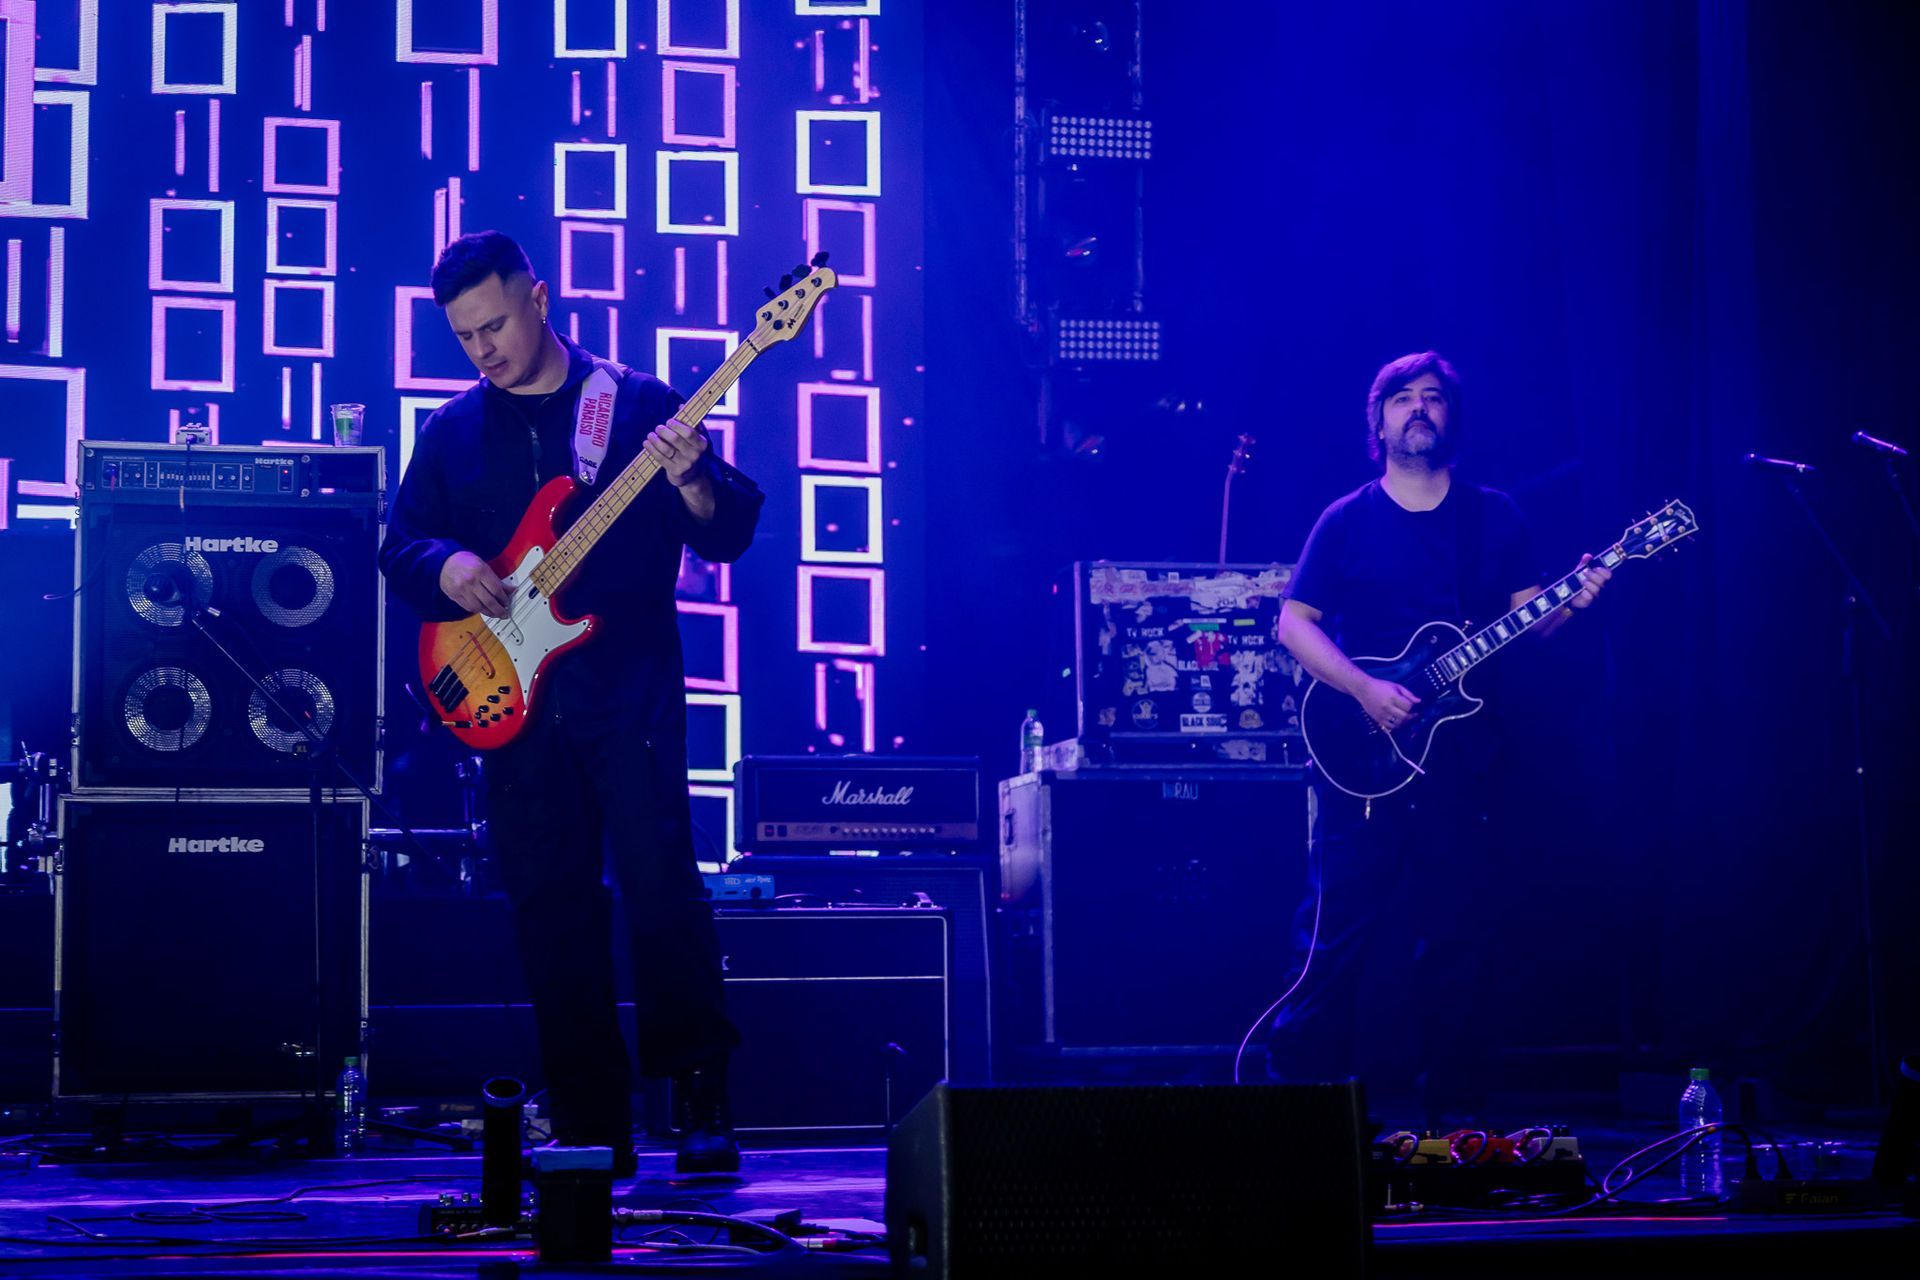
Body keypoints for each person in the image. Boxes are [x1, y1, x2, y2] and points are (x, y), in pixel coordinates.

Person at [379, 231, 763, 1173]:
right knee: (550, 905)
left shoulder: (633, 404)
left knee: (662, 889)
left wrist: (693, 480)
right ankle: (592, 1120)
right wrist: (450, 563)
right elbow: (400, 544)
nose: (485, 350)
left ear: (539, 298)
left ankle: (700, 1103)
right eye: (466, 336)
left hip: (625, 687)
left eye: (496, 324)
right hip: (511, 702)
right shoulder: (451, 431)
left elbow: (726, 536)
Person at [1270, 351, 1608, 1120]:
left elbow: (1533, 621)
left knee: (1460, 941)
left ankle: (1454, 1127)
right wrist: (1363, 687)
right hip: (1360, 756)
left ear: (1451, 418)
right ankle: (1302, 1116)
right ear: (1378, 420)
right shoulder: (1348, 518)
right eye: (1401, 398)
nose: (1418, 408)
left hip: (1462, 761)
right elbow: (1294, 622)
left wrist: (1576, 600)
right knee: (1334, 941)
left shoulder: (1495, 516)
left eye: (1433, 398)